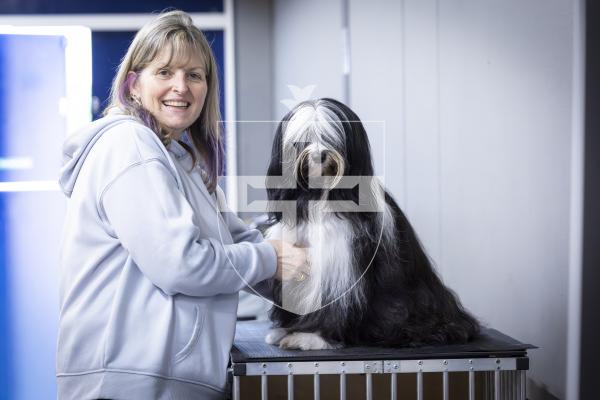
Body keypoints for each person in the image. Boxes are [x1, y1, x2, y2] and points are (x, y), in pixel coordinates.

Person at [57, 10, 307, 400]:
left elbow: (241, 242)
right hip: (130, 387)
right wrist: (274, 258)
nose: (182, 87)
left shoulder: (183, 162)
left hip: (171, 384)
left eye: (194, 75)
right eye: (165, 72)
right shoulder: (130, 147)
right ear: (134, 84)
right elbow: (181, 264)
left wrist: (322, 265)